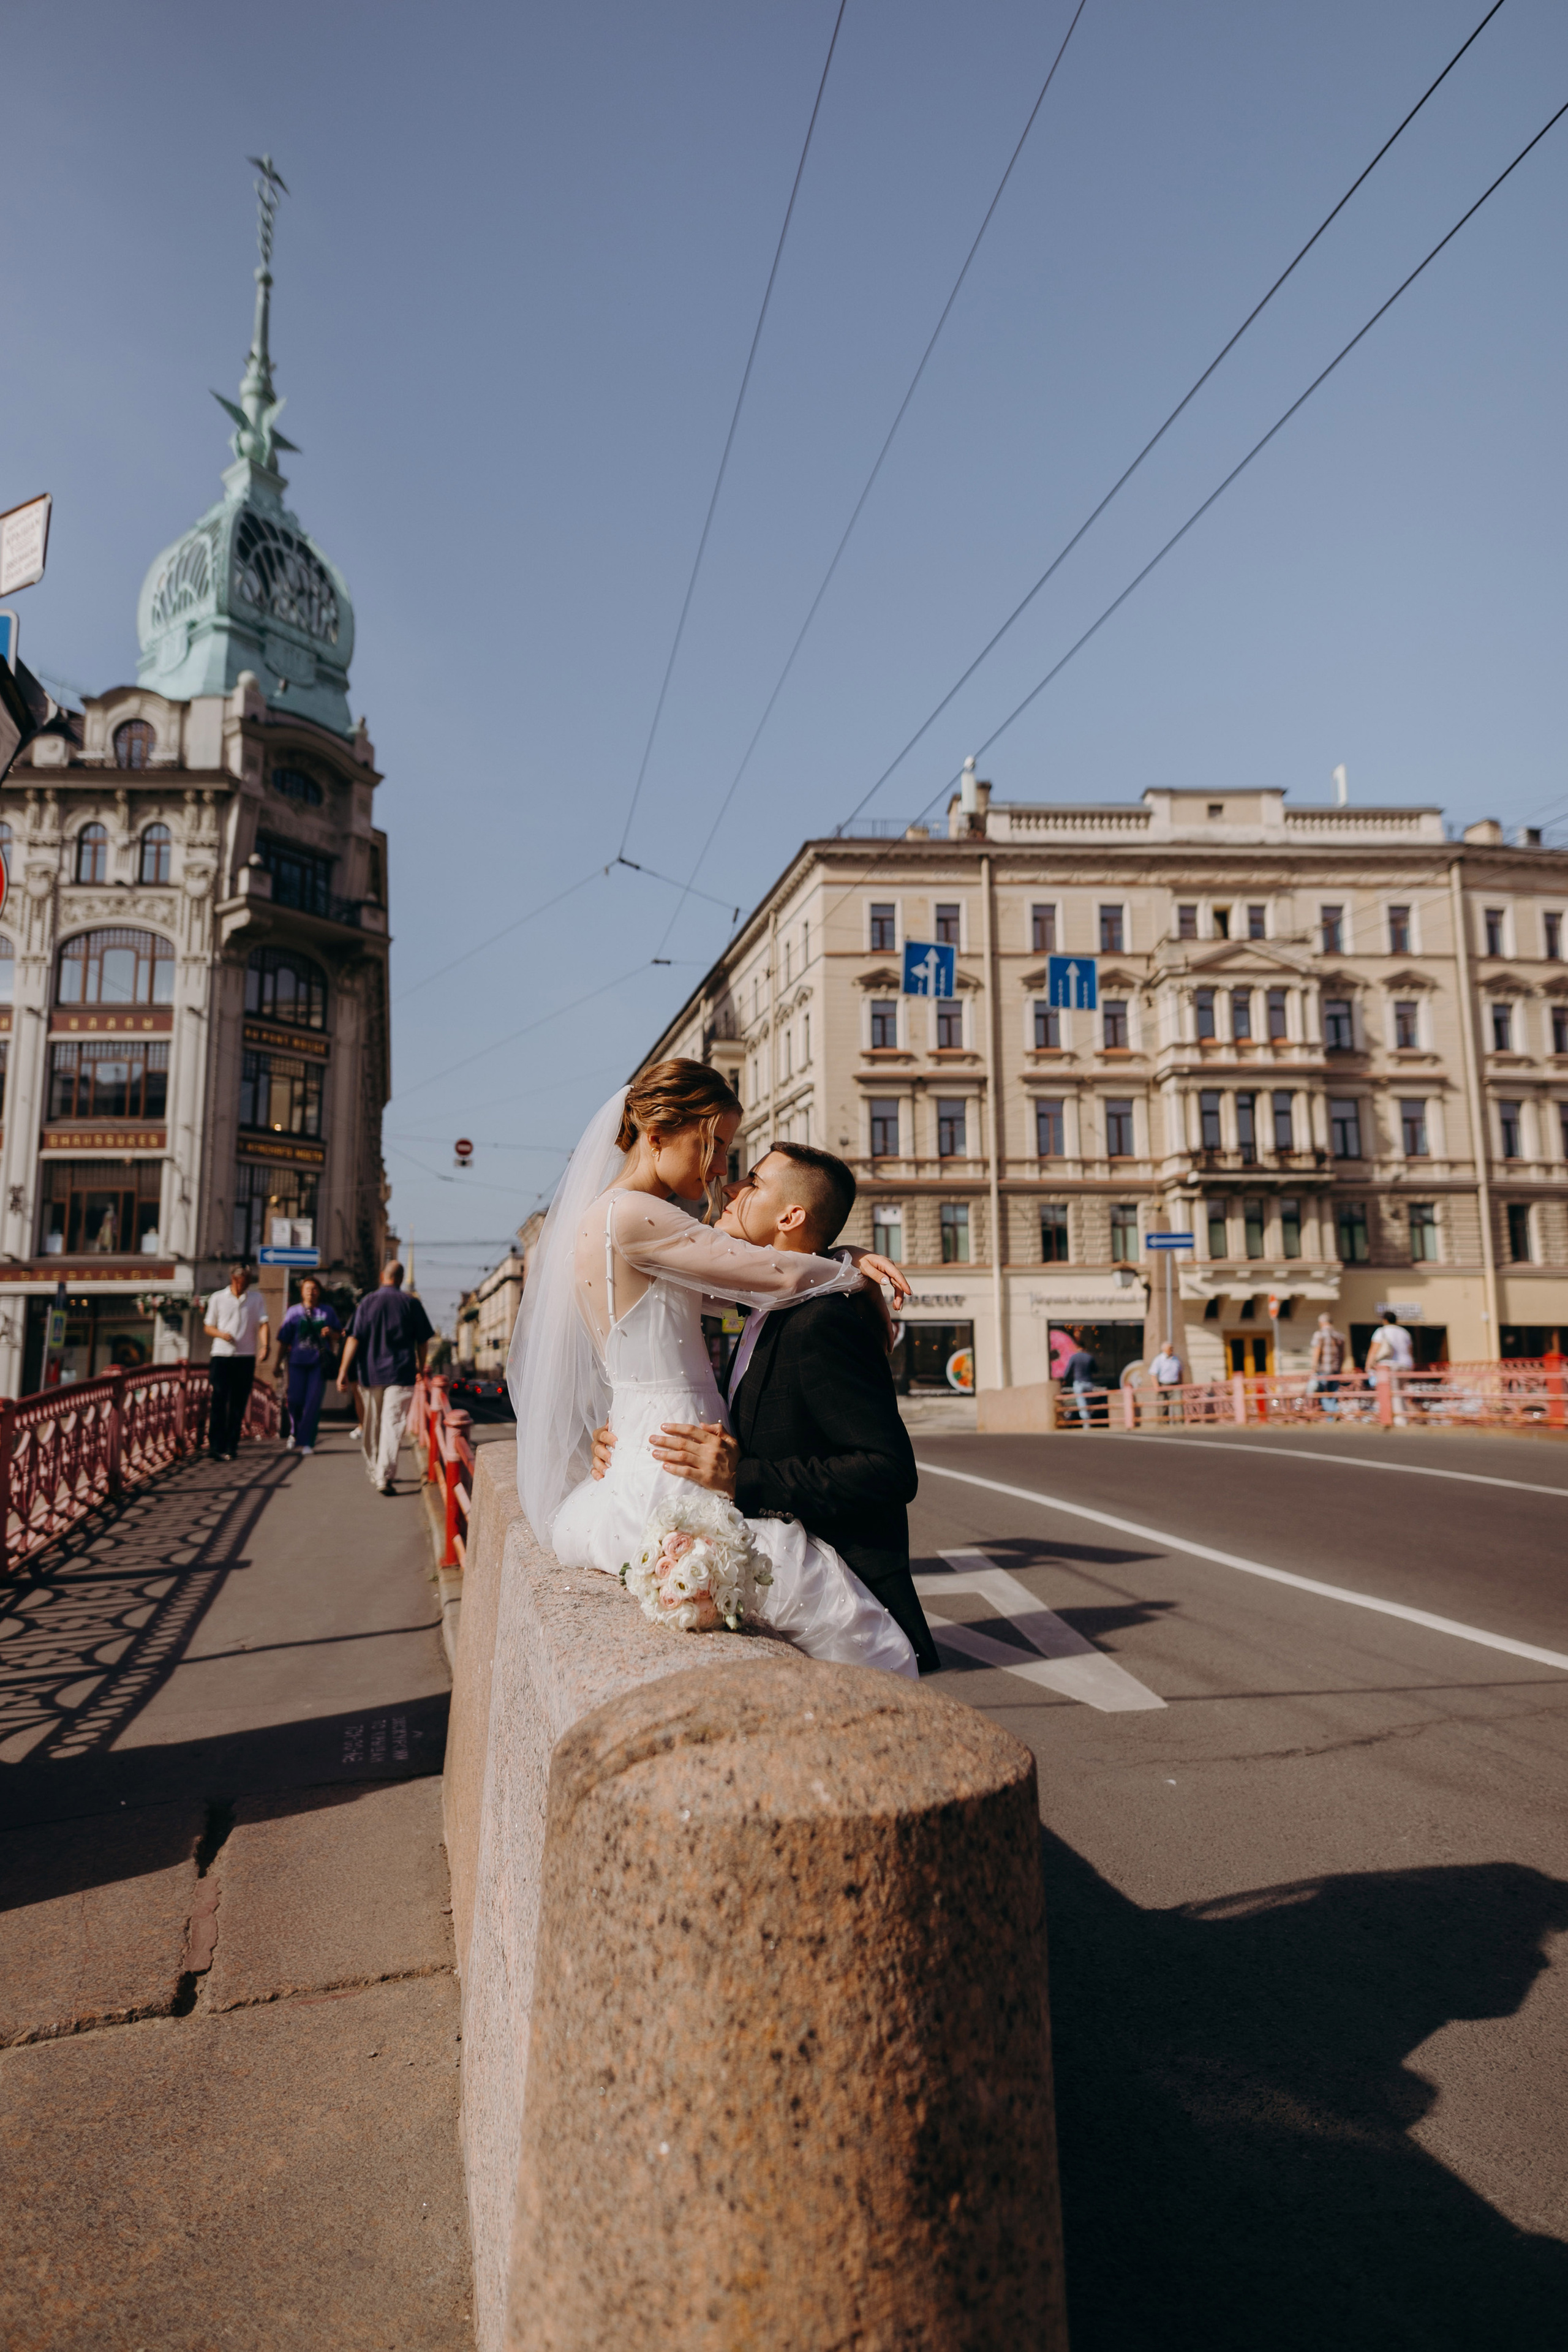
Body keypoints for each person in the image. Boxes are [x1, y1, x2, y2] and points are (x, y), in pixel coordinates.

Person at [508, 1060, 922, 1676]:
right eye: (716, 1145)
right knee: (832, 1615)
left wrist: (839, 1252)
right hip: (674, 1442)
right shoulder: (633, 1214)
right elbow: (776, 1272)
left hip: (653, 1432)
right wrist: (851, 1272)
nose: (722, 1171)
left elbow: (754, 1277)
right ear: (657, 1136)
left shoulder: (614, 1218)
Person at [592, 1139, 940, 1674]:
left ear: (790, 1216)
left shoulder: (823, 1323)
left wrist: (742, 1478)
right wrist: (630, 1438)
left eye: (752, 1181)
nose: (730, 1187)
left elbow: (889, 1470)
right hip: (790, 1591)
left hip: (849, 1607)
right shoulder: (771, 1305)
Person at [336, 1262, 434, 1493]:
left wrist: (343, 1371)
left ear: (382, 1276)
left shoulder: (367, 1302)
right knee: (393, 1425)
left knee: (372, 1424)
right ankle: (384, 1476)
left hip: (370, 1374)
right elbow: (422, 1341)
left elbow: (353, 1338)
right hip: (401, 1373)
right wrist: (421, 1367)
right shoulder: (411, 1303)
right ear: (401, 1279)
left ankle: (375, 1469)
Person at [203, 1261, 270, 1461]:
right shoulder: (218, 1298)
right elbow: (208, 1326)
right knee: (219, 1400)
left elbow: (263, 1323)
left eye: (248, 1280)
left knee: (239, 1403)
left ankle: (232, 1446)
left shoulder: (256, 1298)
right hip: (221, 1355)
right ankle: (216, 1446)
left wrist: (265, 1346)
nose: (246, 1283)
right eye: (243, 1280)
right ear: (234, 1278)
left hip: (245, 1357)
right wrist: (221, 1334)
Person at [277, 1275, 341, 1457]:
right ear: (302, 1292)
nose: (311, 1293)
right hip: (296, 1363)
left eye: (314, 1289)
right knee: (294, 1400)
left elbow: (340, 1334)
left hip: (318, 1365)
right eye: (308, 1289)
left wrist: (331, 1333)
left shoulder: (327, 1312)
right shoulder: (293, 1312)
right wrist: (276, 1363)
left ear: (319, 1292)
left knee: (312, 1403)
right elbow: (284, 1340)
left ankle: (307, 1442)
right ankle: (294, 1432)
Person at [1366, 1309, 1414, 1425]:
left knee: (1394, 1393)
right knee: (1399, 1393)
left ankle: (1399, 1421)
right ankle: (1402, 1418)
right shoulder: (1404, 1332)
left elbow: (1374, 1350)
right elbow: (1410, 1351)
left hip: (1389, 1366)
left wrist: (1368, 1365)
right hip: (1406, 1366)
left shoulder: (1381, 1331)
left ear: (1385, 1320)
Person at [1308, 1313, 1347, 1417]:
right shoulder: (1339, 1335)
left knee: (1323, 1392)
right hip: (1335, 1370)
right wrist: (1340, 1367)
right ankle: (1333, 1413)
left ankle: (1331, 1415)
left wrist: (1313, 1368)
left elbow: (1317, 1352)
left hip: (1323, 1370)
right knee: (1333, 1393)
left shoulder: (1319, 1335)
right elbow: (1343, 1355)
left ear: (1321, 1323)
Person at [1065, 1339, 1098, 1430]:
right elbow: (1096, 1370)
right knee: (1088, 1403)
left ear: (1077, 1347)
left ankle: (1086, 1423)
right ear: (1085, 1348)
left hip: (1079, 1383)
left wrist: (1065, 1380)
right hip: (1089, 1383)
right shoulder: (1089, 1357)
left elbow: (1067, 1372)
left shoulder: (1074, 1357)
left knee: (1082, 1403)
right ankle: (1089, 1419)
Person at [1150, 1339, 1185, 1422]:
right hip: (1164, 1385)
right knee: (1163, 1406)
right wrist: (1156, 1387)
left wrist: (1181, 1384)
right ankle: (1163, 1423)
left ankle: (1180, 1423)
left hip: (1175, 1385)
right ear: (1164, 1350)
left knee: (1178, 1404)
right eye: (1170, 1348)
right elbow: (1153, 1374)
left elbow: (1181, 1372)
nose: (1172, 1350)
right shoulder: (1159, 1359)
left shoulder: (1176, 1359)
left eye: (1172, 1348)